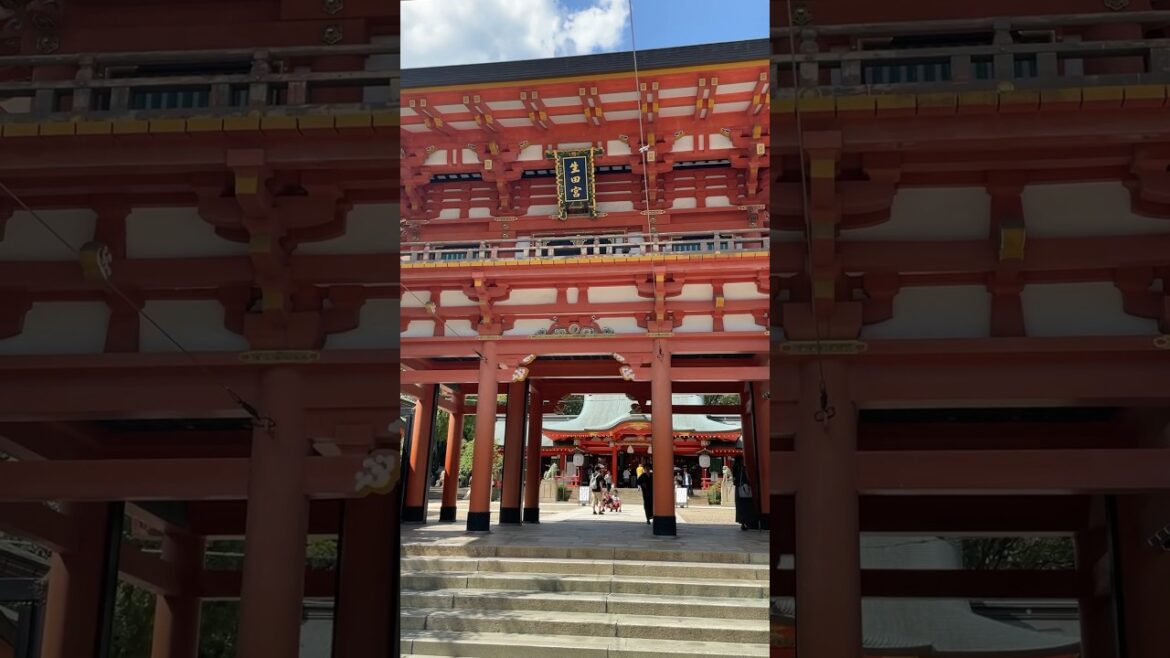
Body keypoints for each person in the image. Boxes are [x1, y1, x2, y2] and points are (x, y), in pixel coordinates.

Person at [733, 460, 757, 531]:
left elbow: (735, 480)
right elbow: (746, 479)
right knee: (747, 507)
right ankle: (747, 523)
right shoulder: (743, 469)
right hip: (744, 490)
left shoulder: (735, 468)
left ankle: (742, 523)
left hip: (738, 490)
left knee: (740, 508)